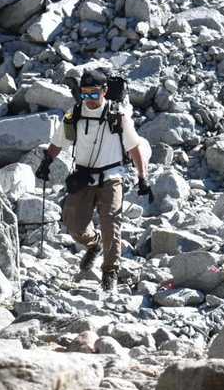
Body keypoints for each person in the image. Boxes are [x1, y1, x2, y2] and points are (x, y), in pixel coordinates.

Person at [36, 70, 151, 291]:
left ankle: (110, 272)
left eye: (93, 94)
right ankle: (93, 243)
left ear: (104, 91)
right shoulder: (75, 114)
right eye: (84, 94)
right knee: (73, 225)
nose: (88, 99)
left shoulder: (118, 116)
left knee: (111, 223)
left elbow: (134, 147)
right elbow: (59, 141)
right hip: (83, 177)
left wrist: (142, 177)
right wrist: (46, 162)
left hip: (111, 177)